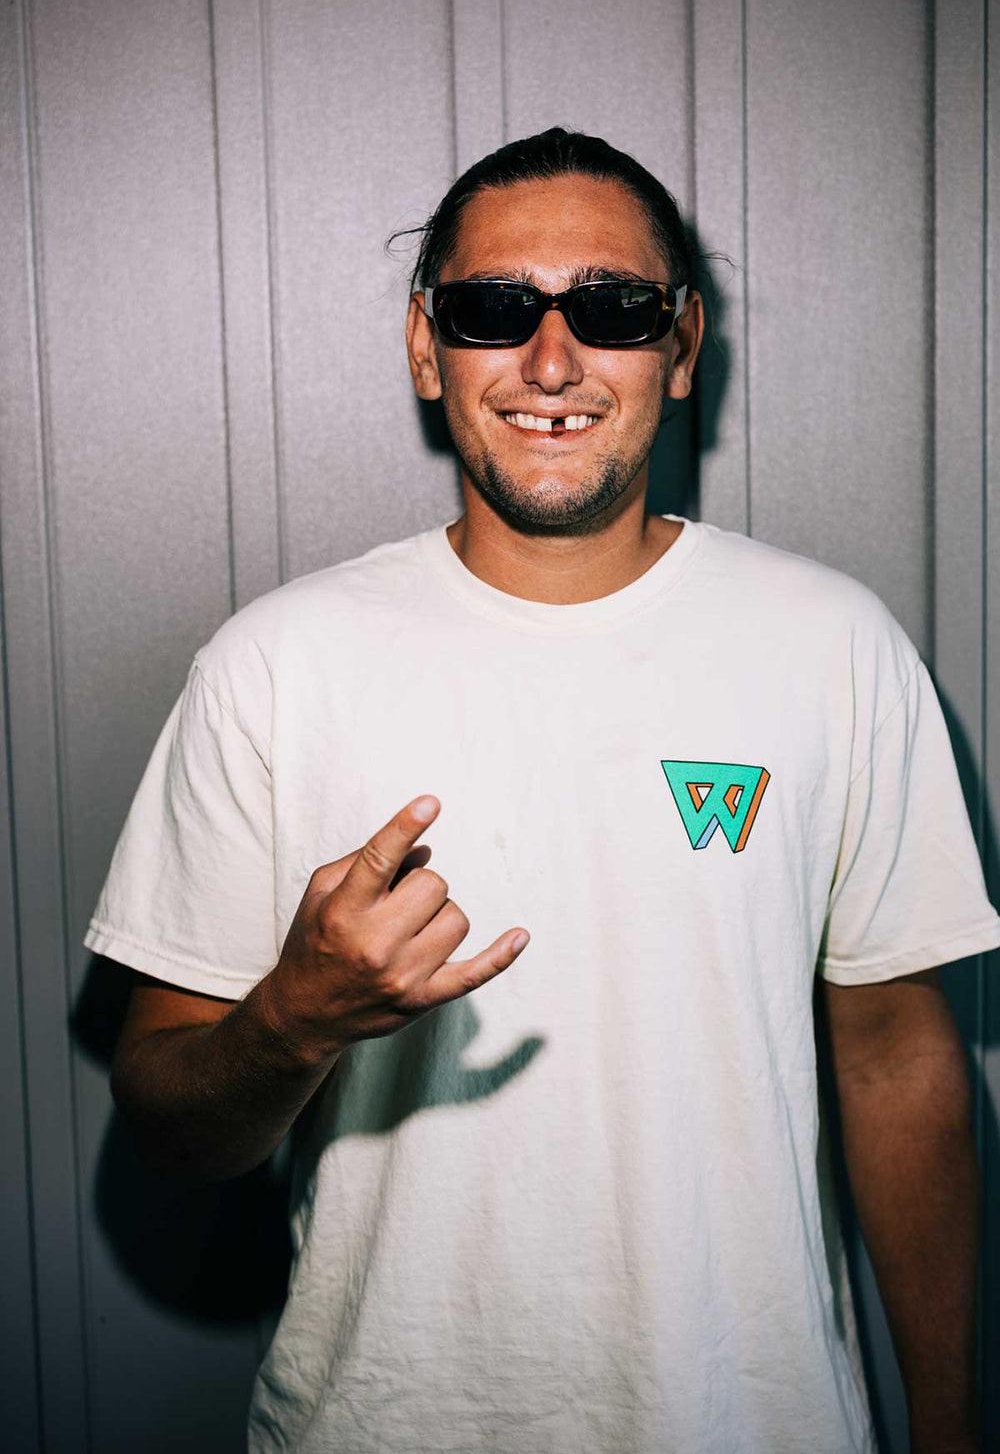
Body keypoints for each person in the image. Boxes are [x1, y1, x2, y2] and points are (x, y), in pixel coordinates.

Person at [87, 128, 1000, 1454]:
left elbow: (898, 1052)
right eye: (493, 311)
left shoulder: (833, 645)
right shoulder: (277, 668)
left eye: (615, 309)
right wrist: (293, 1021)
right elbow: (168, 1129)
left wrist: (955, 1424)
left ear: (682, 346)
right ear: (424, 346)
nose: (554, 361)